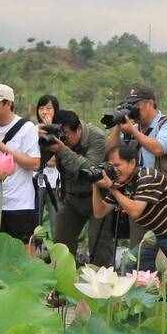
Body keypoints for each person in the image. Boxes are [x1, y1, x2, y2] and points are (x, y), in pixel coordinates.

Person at [92, 143, 167, 296]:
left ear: (132, 163)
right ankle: (148, 310)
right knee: (131, 265)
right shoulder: (121, 185)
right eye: (110, 166)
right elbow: (99, 212)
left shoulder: (147, 177)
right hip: (158, 236)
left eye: (117, 165)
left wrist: (112, 188)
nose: (113, 170)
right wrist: (95, 186)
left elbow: (135, 211)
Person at [106, 85, 167, 257]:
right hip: (139, 198)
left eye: (137, 104)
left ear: (150, 103)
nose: (134, 109)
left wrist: (134, 131)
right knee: (139, 252)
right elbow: (111, 152)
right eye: (131, 105)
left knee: (165, 256)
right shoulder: (133, 127)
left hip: (162, 200)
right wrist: (118, 125)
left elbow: (159, 148)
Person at [44, 109, 113, 266]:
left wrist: (62, 150)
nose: (63, 139)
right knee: (62, 242)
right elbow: (38, 164)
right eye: (59, 133)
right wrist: (42, 143)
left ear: (78, 130)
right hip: (72, 196)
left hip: (97, 196)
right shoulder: (60, 140)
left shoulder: (96, 136)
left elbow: (90, 169)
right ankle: (63, 281)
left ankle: (101, 284)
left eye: (66, 134)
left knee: (98, 245)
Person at [0, 83, 41, 242]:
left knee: (21, 254)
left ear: (8, 103)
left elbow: (35, 163)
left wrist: (3, 148)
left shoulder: (27, 128)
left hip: (19, 204)